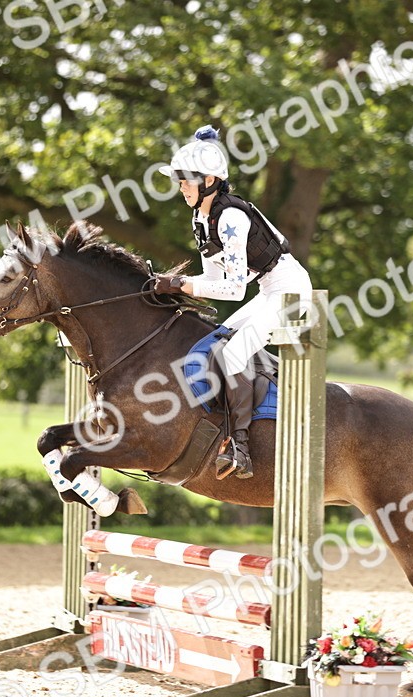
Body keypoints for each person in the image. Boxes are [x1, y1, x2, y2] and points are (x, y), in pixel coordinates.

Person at [154, 126, 313, 480]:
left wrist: (180, 283)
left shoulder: (231, 218)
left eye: (185, 179)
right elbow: (212, 282)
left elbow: (234, 289)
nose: (180, 186)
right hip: (267, 291)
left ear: (209, 180)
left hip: (290, 289)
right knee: (215, 342)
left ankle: (240, 446)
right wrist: (173, 288)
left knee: (233, 353)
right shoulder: (202, 219)